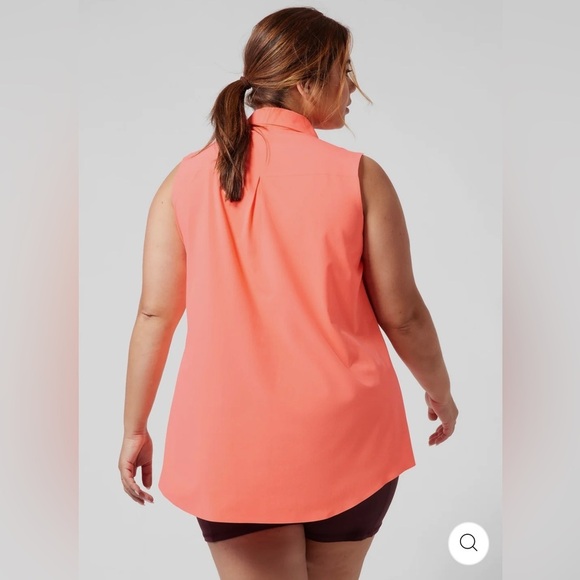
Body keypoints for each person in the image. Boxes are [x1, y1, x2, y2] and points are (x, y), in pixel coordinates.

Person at [118, 6, 458, 580]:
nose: (352, 87)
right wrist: (441, 393)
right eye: (344, 70)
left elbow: (155, 314)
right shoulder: (358, 175)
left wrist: (135, 427)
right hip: (348, 437)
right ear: (305, 82)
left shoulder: (184, 180)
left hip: (230, 445)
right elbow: (403, 314)